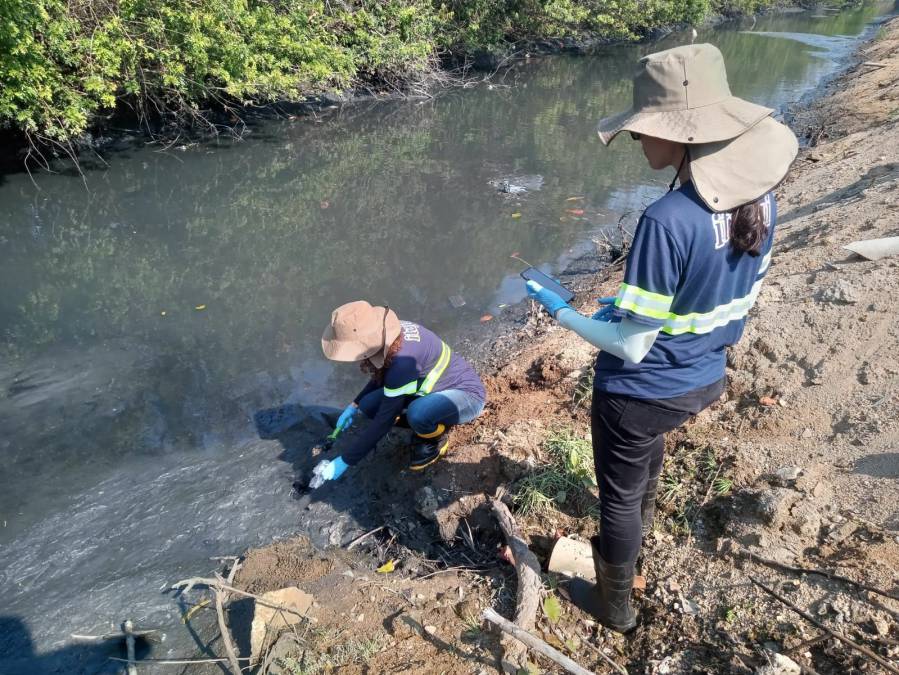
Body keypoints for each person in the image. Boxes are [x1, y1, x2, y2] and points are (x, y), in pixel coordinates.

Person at [526, 43, 797, 632]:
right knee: (644, 460)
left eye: (641, 131)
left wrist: (564, 311)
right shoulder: (760, 200)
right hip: (703, 377)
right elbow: (720, 288)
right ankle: (641, 537)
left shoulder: (666, 219)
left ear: (682, 135)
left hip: (641, 391)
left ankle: (614, 608)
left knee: (618, 496)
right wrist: (630, 305)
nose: (636, 141)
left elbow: (630, 348)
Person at [311, 301, 486, 483]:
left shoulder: (402, 362)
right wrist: (354, 406)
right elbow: (385, 376)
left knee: (417, 414)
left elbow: (384, 420)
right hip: (427, 387)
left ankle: (435, 438)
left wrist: (345, 461)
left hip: (466, 397)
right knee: (369, 405)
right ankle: (428, 419)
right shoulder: (391, 332)